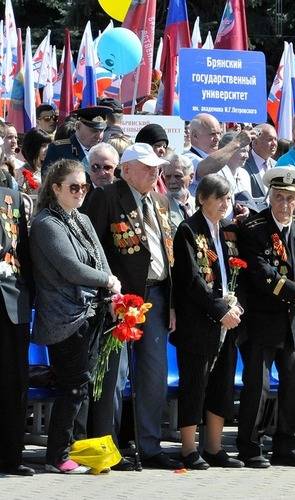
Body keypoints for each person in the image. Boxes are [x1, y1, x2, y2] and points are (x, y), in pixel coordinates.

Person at [82, 143, 179, 470]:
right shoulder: (107, 197)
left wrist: (173, 304)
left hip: (158, 296)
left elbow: (168, 254)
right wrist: (107, 293)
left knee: (154, 375)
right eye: (148, 167)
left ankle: (149, 446)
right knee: (115, 375)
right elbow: (93, 249)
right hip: (120, 300)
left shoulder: (161, 201)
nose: (155, 172)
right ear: (126, 170)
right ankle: (107, 448)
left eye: (157, 168)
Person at [30, 159, 121, 473]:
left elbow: (100, 259)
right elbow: (71, 268)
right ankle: (57, 455)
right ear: (55, 189)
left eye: (84, 186)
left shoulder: (81, 218)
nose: (81, 191)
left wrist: (112, 292)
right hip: (62, 318)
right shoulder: (45, 224)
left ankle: (71, 449)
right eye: (73, 186)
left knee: (81, 385)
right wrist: (107, 281)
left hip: (89, 314)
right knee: (73, 385)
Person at [236, 167, 295, 468]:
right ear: (270, 197)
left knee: (294, 385)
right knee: (258, 387)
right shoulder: (254, 228)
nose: (284, 204)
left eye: (290, 198)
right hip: (263, 319)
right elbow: (263, 274)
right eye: (278, 197)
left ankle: (288, 446)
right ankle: (251, 446)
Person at [171, 175, 244, 470]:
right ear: (202, 198)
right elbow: (192, 280)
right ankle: (189, 448)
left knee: (222, 383)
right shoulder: (189, 230)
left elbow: (237, 272)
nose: (225, 205)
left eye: (228, 199)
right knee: (195, 383)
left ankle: (214, 446)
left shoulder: (229, 231)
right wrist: (218, 310)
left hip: (228, 317)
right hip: (199, 320)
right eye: (219, 199)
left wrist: (236, 304)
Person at [0, 184, 33, 476]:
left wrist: (30, 293)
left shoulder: (9, 195)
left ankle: (11, 456)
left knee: (14, 383)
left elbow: (22, 247)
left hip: (12, 299)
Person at [42, 107, 112, 176]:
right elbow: (47, 179)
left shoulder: (106, 151)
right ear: (78, 126)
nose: (99, 136)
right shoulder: (58, 150)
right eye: (93, 131)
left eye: (102, 130)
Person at [162, 153, 196, 233]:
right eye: (168, 176)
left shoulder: (200, 205)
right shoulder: (160, 206)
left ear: (191, 177)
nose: (172, 181)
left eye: (177, 176)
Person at [17, 128, 52, 194]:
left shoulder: (50, 169)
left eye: (49, 145)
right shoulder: (20, 173)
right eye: (43, 146)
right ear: (33, 147)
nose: (47, 149)